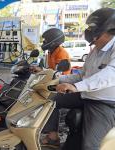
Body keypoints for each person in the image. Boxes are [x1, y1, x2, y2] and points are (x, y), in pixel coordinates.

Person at [40, 8, 115, 150]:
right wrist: (57, 79)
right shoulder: (96, 50)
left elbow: (111, 74)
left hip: (103, 103)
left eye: (95, 37)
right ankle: (53, 137)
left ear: (110, 31)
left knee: (91, 146)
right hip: (85, 95)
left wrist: (77, 87)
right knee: (49, 98)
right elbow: (82, 75)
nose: (93, 41)